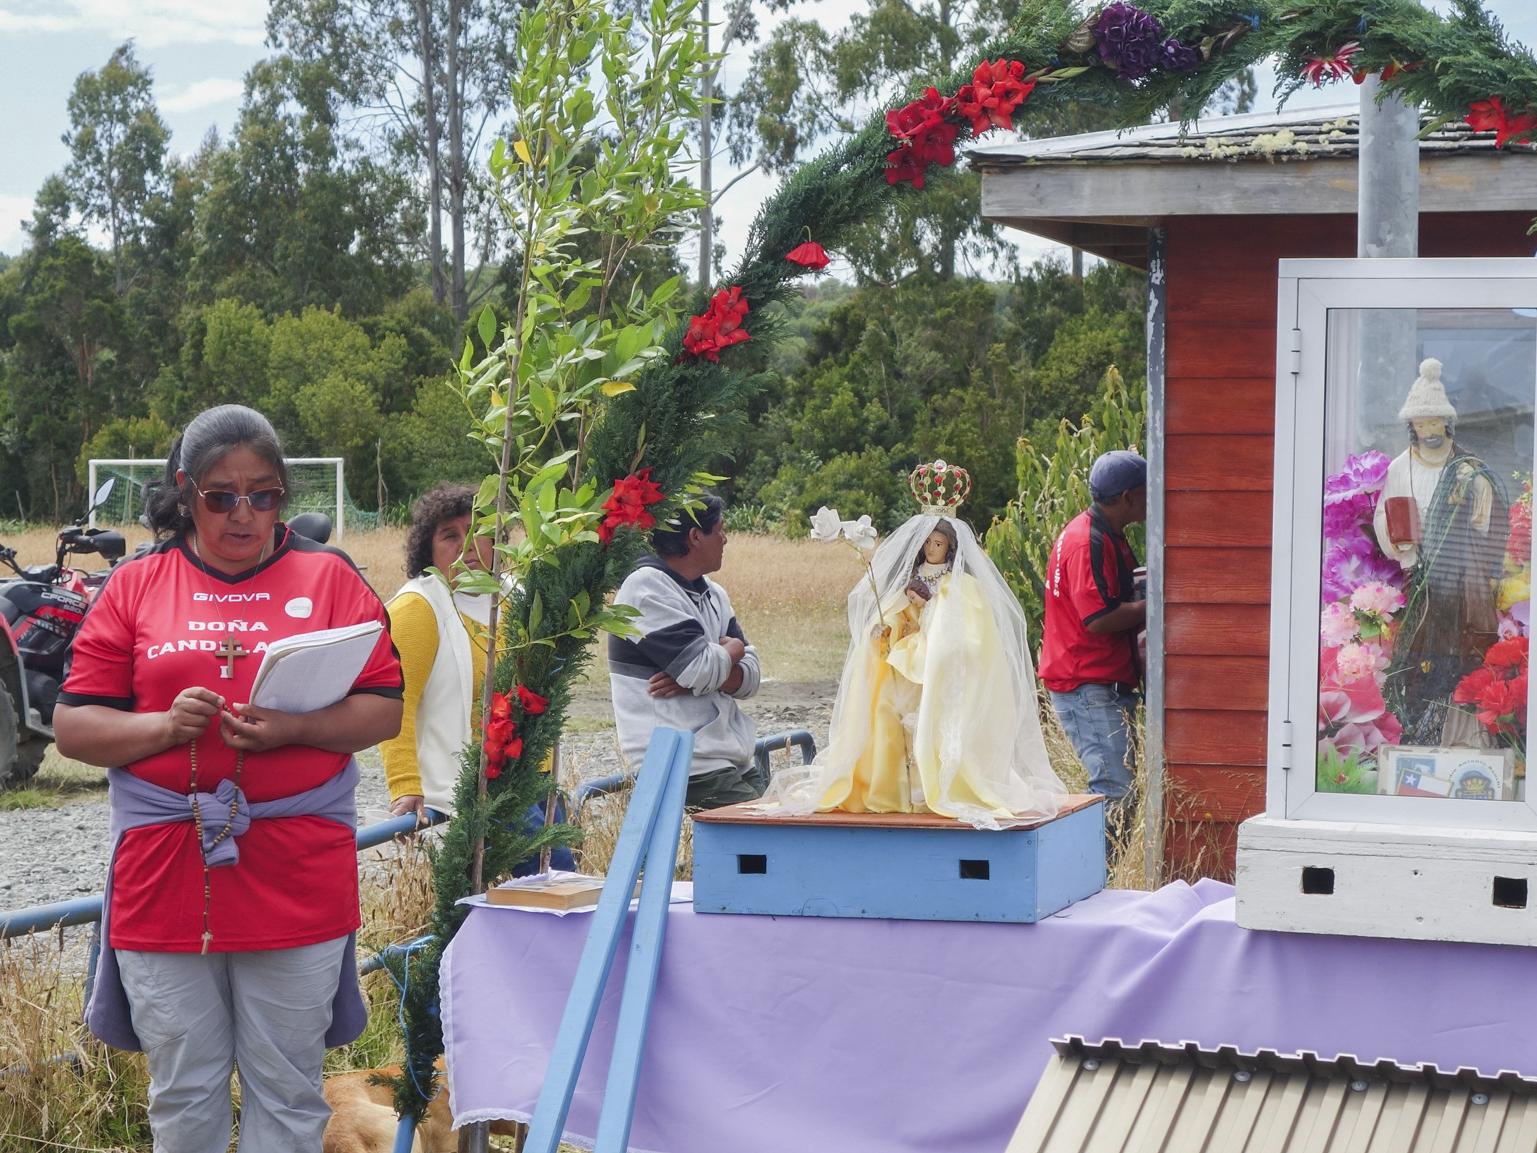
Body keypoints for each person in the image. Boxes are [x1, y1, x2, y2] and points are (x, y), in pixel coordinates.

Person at [53, 404, 404, 1152]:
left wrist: (294, 729)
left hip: (298, 865)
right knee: (184, 1090)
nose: (244, 514)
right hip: (165, 867)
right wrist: (163, 727)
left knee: (288, 1090)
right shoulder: (136, 583)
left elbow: (383, 708)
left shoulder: (331, 577)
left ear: (283, 493)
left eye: (264, 495)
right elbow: (74, 726)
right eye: (221, 496)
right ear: (185, 492)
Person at [773, 461, 1066, 828]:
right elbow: (896, 612)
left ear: (950, 548)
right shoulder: (911, 579)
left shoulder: (963, 587)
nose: (931, 549)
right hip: (906, 658)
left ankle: (933, 786)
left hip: (938, 665)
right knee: (893, 720)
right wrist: (887, 628)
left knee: (932, 724)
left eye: (938, 544)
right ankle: (897, 789)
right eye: (927, 543)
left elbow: (971, 635)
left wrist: (937, 625)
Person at [380, 483, 573, 867]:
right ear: (427, 549)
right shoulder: (417, 608)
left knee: (557, 883)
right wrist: (404, 784)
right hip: (474, 784)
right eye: (450, 535)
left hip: (533, 774)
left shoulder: (515, 595)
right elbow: (394, 704)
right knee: (555, 878)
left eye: (478, 532)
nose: (467, 546)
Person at [1372, 358, 1505, 746]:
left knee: (1462, 652)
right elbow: (1384, 514)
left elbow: (1491, 519)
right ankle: (1420, 728)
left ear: (1446, 423)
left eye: (1435, 423)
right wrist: (1399, 542)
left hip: (1461, 579)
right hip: (1422, 577)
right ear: (1412, 427)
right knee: (1421, 652)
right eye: (1422, 424)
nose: (1429, 430)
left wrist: (1478, 489)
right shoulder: (1400, 468)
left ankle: (1463, 732)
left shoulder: (1467, 467)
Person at [608, 495, 764, 809]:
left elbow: (751, 679)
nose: (725, 539)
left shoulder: (713, 593)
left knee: (782, 827)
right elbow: (701, 668)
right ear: (695, 536)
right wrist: (731, 651)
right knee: (767, 834)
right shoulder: (646, 587)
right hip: (683, 761)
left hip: (726, 754)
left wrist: (698, 678)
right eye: (719, 530)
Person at [1040, 449, 1148, 841]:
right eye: (1147, 491)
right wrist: (1156, 604)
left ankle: (1099, 870)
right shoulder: (1088, 542)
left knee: (1117, 788)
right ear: (1128, 497)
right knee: (1114, 790)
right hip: (1087, 684)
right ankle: (1096, 874)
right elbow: (1098, 619)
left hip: (1091, 681)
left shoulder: (1096, 532)